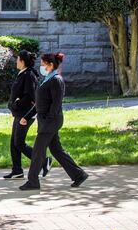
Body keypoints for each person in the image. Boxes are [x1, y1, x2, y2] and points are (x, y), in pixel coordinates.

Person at [19, 53, 89, 190]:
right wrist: (26, 117)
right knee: (56, 150)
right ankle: (78, 175)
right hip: (47, 122)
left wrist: (47, 122)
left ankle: (33, 181)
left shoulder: (56, 80)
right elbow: (40, 104)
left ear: (51, 65)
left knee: (38, 151)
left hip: (50, 122)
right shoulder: (47, 79)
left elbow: (56, 105)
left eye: (44, 64)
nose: (42, 66)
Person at [3, 50, 45, 179]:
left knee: (18, 143)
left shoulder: (28, 75)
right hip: (19, 114)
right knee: (14, 142)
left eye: (17, 59)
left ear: (22, 61)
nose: (16, 61)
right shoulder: (23, 74)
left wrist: (16, 104)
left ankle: (43, 162)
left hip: (25, 114)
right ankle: (17, 170)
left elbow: (30, 96)